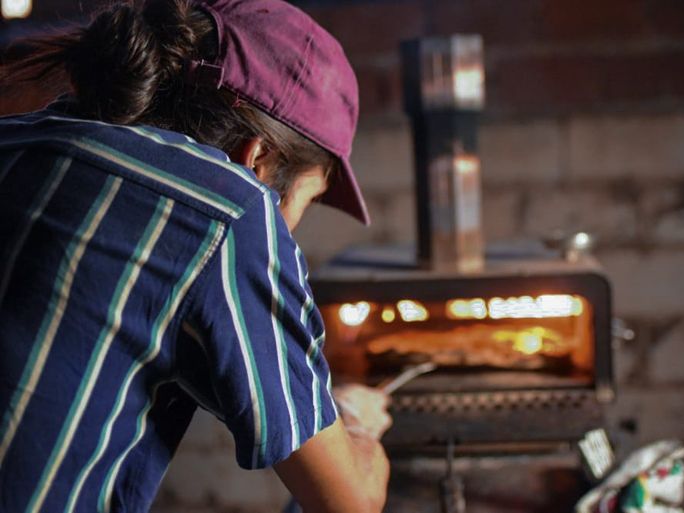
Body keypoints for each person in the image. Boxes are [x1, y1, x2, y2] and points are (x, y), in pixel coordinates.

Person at [0, 0, 391, 512]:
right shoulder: (231, 209)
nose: (292, 225)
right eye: (307, 200)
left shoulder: (17, 138)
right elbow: (351, 501)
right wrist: (355, 419)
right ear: (258, 158)